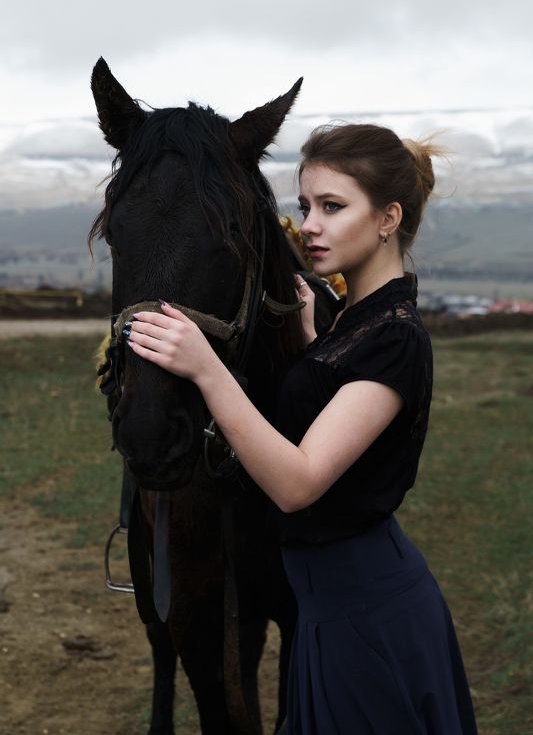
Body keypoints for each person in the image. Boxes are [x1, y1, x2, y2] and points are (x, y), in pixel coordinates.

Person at [125, 123, 478, 734]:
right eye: (305, 205)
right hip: (326, 609)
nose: (309, 225)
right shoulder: (354, 325)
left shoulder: (395, 338)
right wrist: (316, 343)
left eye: (333, 207)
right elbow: (325, 402)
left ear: (389, 217)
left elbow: (300, 483)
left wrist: (208, 369)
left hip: (365, 614)